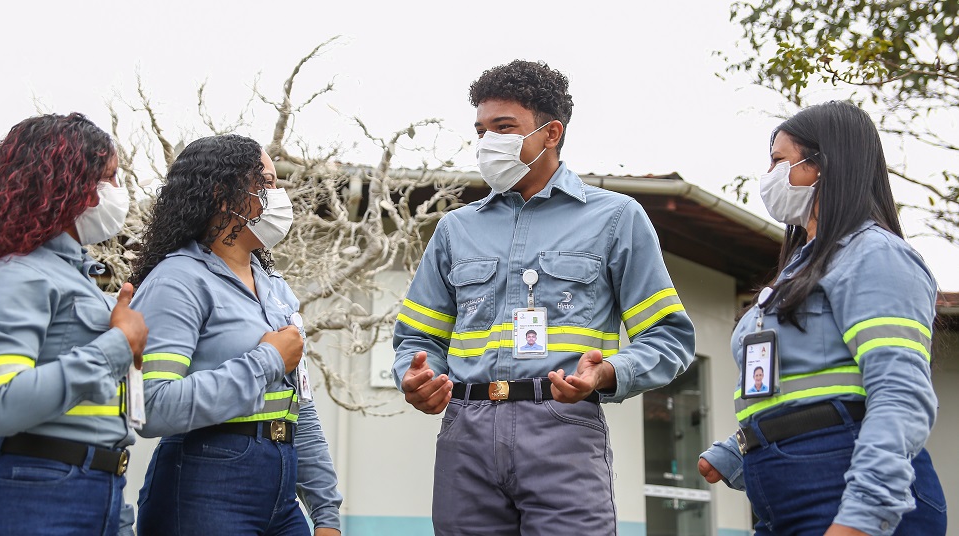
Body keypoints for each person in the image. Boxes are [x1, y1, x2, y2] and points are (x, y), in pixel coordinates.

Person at [392, 60, 696, 535]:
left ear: (551, 133)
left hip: (563, 429)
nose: (487, 142)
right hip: (465, 433)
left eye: (504, 127)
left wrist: (607, 373)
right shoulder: (454, 230)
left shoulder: (616, 218)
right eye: (480, 130)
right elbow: (417, 338)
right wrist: (417, 377)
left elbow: (668, 337)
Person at [698, 101, 947, 536]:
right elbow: (811, 386)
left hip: (842, 491)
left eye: (779, 160)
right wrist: (741, 448)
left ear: (821, 166)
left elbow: (900, 395)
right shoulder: (800, 267)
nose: (769, 175)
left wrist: (862, 517)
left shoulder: (876, 255)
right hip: (786, 498)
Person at [0, 113, 146, 535]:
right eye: (109, 178)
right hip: (30, 494)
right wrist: (120, 343)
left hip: (96, 490)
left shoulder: (76, 279)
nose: (119, 192)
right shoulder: (13, 276)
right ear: (67, 185)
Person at [129, 134, 342, 535]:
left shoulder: (275, 288)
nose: (279, 195)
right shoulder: (177, 281)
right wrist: (267, 360)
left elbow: (300, 406)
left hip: (281, 491)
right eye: (267, 182)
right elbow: (152, 407)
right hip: (205, 487)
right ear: (222, 194)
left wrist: (326, 512)